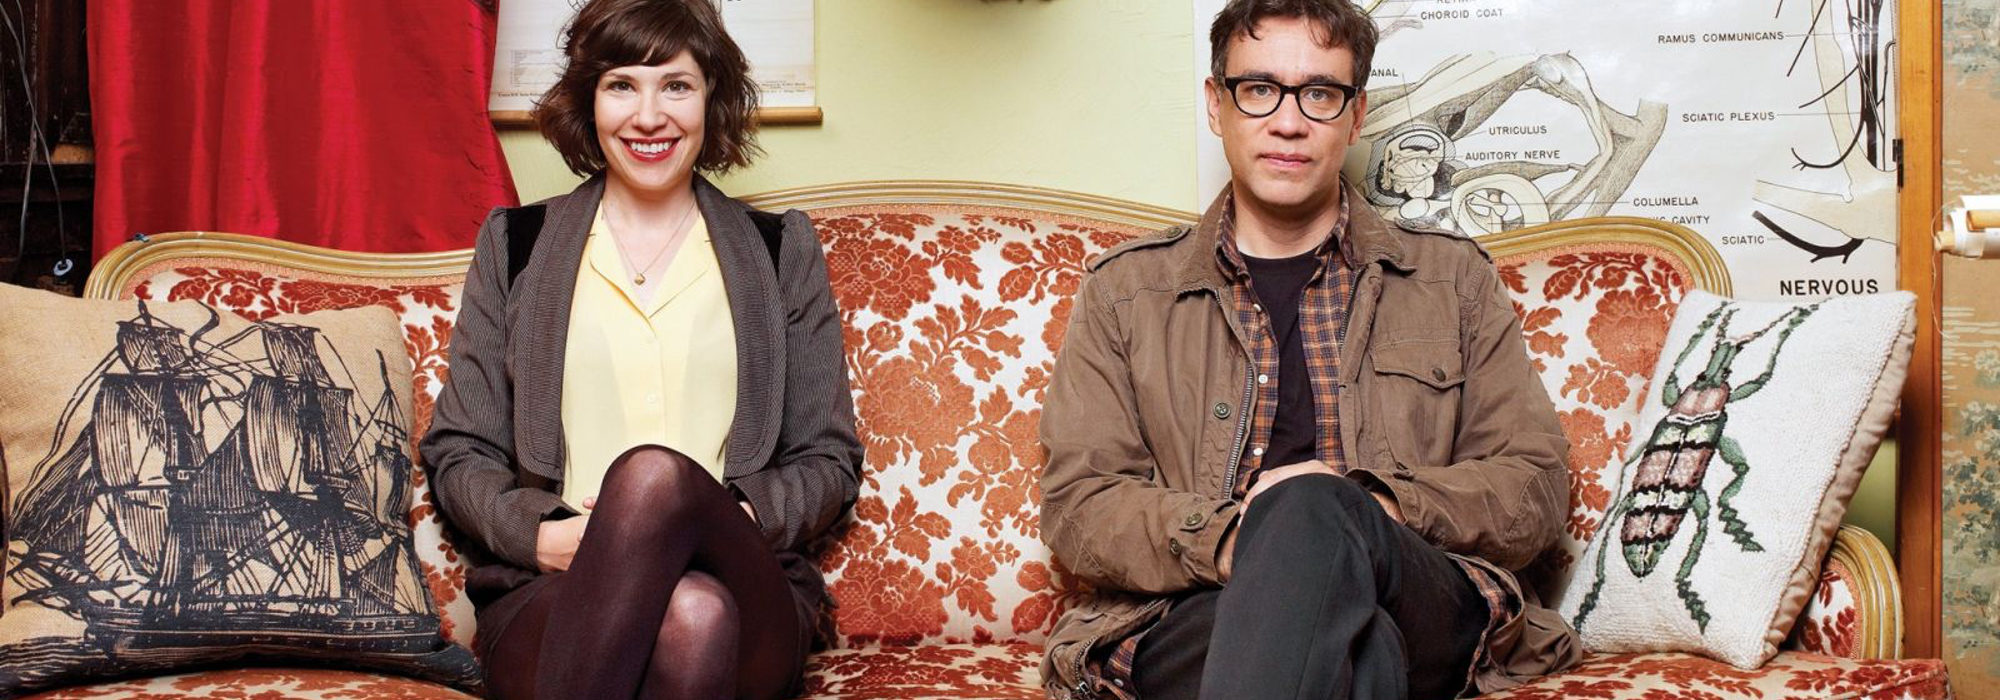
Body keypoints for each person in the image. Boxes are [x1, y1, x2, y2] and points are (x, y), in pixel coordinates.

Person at [1037, 1, 1581, 698]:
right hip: (1200, 606)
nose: (1288, 122)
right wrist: (1239, 540)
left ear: (1356, 117)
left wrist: (1367, 509)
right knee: (1362, 647)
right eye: (1259, 88)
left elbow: (1533, 486)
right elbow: (1080, 505)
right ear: (1216, 104)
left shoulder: (1452, 280)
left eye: (1319, 93)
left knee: (1315, 507)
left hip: (1419, 592)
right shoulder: (1125, 292)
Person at [420, 0, 860, 697]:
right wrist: (542, 537)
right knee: (693, 614)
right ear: (589, 100)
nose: (649, 116)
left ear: (711, 98)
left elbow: (828, 459)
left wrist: (732, 524)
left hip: (745, 585)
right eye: (622, 85)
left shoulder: (780, 252)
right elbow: (460, 450)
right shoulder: (515, 246)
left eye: (676, 86)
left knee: (659, 486)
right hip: (554, 591)